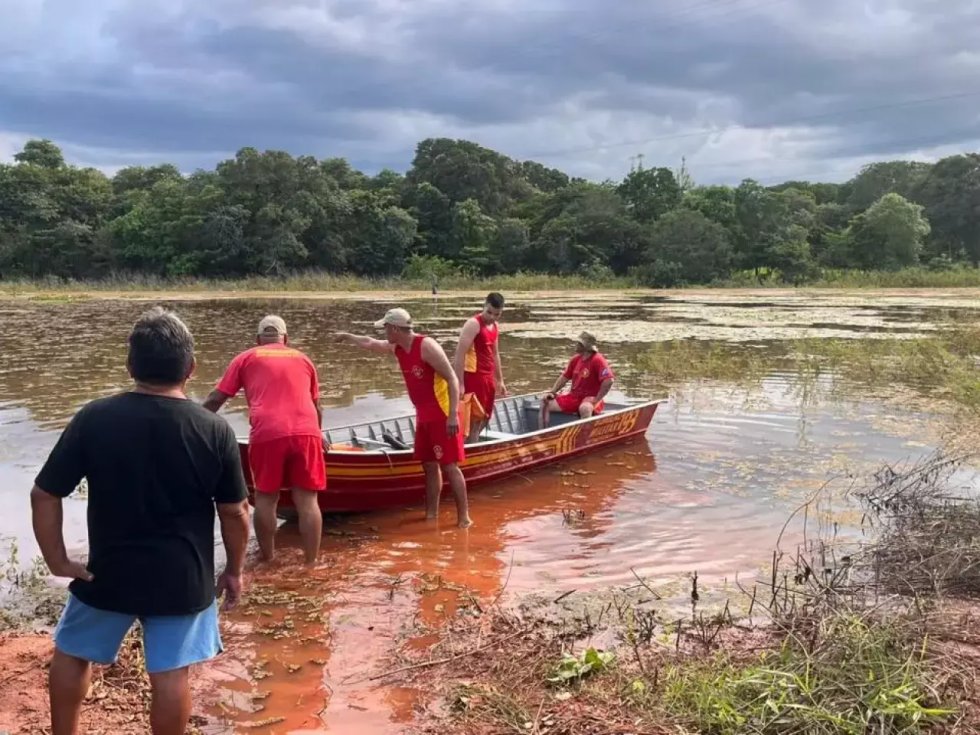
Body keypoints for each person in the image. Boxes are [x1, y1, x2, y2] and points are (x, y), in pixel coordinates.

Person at [30, 307, 250, 735]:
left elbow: (44, 494)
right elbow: (235, 512)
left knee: (72, 654)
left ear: (130, 365)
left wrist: (57, 561)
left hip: (108, 573)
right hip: (182, 578)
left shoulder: (95, 418)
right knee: (169, 673)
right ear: (191, 368)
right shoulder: (213, 429)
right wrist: (235, 570)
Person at [203, 315, 326, 566]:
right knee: (308, 500)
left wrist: (192, 424)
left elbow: (216, 399)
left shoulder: (247, 357)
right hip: (307, 431)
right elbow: (317, 405)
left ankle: (268, 558)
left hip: (268, 433)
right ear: (286, 339)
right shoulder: (303, 359)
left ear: (258, 339)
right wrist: (318, 434)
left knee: (266, 498)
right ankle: (311, 562)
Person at [335, 308, 472, 528]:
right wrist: (348, 337)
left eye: (386, 328)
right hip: (423, 415)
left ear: (396, 328)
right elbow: (371, 343)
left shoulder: (426, 346)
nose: (384, 332)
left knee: (449, 466)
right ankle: (431, 515)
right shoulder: (397, 347)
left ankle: (464, 518)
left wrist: (453, 416)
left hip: (442, 412)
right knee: (428, 465)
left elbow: (453, 380)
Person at [453, 292, 507, 444]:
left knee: (485, 417)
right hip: (474, 377)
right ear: (484, 305)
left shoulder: (495, 326)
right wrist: (460, 383)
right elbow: (459, 354)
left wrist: (500, 380)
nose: (492, 317)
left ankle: (471, 445)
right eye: (489, 312)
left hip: (488, 378)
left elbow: (495, 354)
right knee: (474, 420)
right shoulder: (473, 324)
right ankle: (468, 451)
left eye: (496, 314)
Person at [539, 331, 615, 429]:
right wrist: (553, 392)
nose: (576, 345)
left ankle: (584, 438)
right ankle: (542, 432)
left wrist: (596, 400)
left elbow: (609, 380)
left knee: (585, 408)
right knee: (545, 402)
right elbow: (564, 377)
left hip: (591, 398)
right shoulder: (575, 359)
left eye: (579, 343)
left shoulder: (597, 360)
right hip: (574, 397)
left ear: (585, 346)